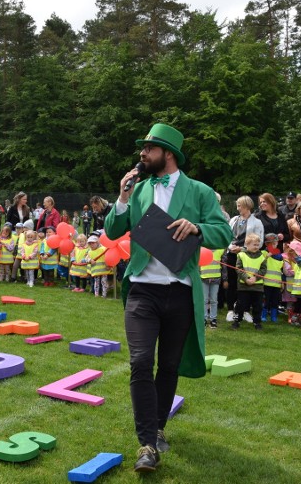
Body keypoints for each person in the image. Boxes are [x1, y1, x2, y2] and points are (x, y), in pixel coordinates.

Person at [103, 123, 231, 473]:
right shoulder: (140, 189)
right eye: (142, 149)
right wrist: (123, 198)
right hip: (142, 290)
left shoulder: (200, 191)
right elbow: (113, 230)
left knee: (169, 365)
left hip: (181, 293)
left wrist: (198, 228)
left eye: (148, 149)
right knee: (141, 362)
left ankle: (159, 427)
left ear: (167, 154)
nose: (142, 154)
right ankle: (146, 444)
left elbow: (225, 232)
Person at [225, 196, 264, 321]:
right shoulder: (233, 220)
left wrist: (243, 249)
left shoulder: (257, 222)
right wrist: (231, 247)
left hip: (247, 256)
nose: (237, 208)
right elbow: (227, 236)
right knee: (232, 283)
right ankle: (231, 310)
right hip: (232, 254)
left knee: (246, 284)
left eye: (239, 205)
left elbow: (260, 241)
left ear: (247, 206)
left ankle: (246, 310)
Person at [232, 233, 267, 330]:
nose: (256, 247)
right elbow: (238, 268)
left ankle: (257, 322)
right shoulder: (241, 255)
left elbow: (263, 270)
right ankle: (237, 321)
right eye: (254, 244)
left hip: (258, 286)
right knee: (241, 304)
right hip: (244, 285)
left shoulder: (262, 256)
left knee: (258, 306)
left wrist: (255, 278)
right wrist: (246, 278)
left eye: (257, 244)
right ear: (247, 245)